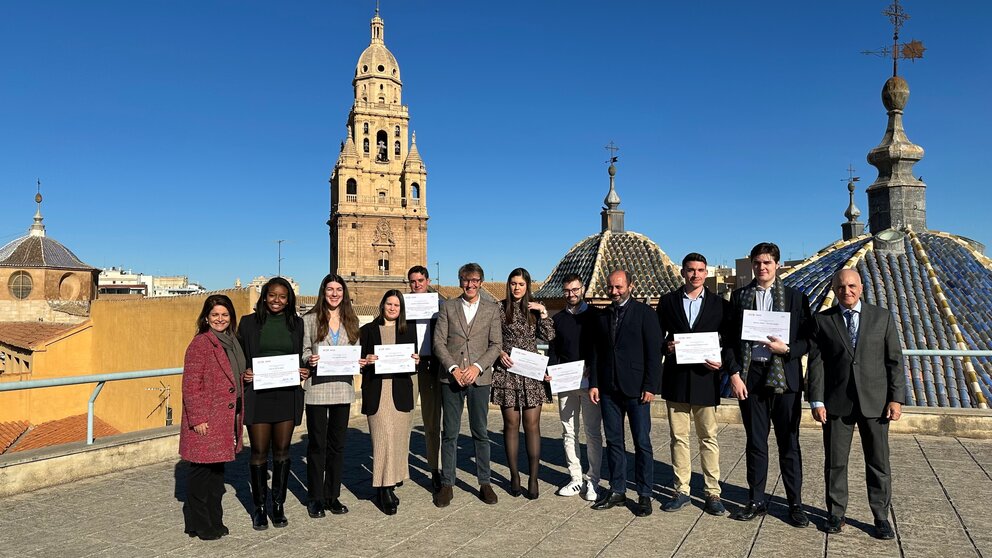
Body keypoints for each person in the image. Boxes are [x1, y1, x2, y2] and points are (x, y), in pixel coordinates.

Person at [807, 269, 905, 540]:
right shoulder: (822, 321)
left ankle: (881, 516)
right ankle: (836, 513)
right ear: (834, 289)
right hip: (837, 404)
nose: (846, 291)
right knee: (835, 463)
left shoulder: (881, 317)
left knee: (878, 462)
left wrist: (896, 398)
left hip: (876, 403)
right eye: (840, 287)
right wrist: (816, 400)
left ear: (861, 287)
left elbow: (894, 361)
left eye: (851, 286)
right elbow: (817, 364)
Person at [726, 242, 812, 526]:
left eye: (767, 263)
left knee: (789, 443)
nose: (762, 268)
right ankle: (756, 499)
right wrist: (735, 374)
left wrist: (787, 350)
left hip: (784, 379)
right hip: (751, 378)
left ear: (777, 264)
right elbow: (729, 341)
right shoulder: (739, 296)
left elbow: (809, 340)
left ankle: (795, 504)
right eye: (757, 263)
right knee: (755, 442)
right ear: (752, 265)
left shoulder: (795, 297)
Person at [657, 253, 731, 515]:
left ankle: (712, 492)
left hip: (705, 379)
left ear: (706, 273)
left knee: (708, 438)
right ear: (682, 272)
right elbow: (657, 338)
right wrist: (666, 346)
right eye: (691, 270)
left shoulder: (719, 304)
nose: (696, 275)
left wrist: (722, 362)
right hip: (677, 379)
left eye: (700, 270)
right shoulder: (667, 302)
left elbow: (729, 341)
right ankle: (682, 489)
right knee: (678, 438)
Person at [589, 270, 662, 517]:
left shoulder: (645, 314)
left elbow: (654, 353)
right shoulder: (603, 315)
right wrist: (595, 383)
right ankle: (617, 489)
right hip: (609, 389)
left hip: (637, 389)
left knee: (642, 442)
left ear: (631, 285)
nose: (614, 292)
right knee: (614, 441)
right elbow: (597, 353)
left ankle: (644, 493)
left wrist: (651, 386)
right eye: (611, 287)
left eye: (619, 287)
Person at [239, 277, 308, 530]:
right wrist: (244, 372)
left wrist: (305, 371)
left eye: (282, 296)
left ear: (288, 299)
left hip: (287, 393)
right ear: (264, 296)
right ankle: (258, 507)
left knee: (282, 451)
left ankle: (277, 505)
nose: (276, 300)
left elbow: (303, 354)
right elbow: (238, 356)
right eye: (272, 295)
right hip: (258, 394)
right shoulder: (248, 323)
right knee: (258, 451)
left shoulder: (297, 324)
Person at [432, 262, 503, 507]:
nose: (470, 284)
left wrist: (477, 367)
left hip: (479, 378)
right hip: (451, 378)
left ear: (481, 282)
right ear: (460, 281)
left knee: (480, 432)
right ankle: (447, 484)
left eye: (474, 280)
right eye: (465, 280)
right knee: (449, 433)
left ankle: (484, 482)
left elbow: (496, 345)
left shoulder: (492, 308)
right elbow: (439, 342)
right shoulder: (448, 307)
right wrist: (453, 368)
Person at [180, 295, 246, 541]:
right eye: (215, 315)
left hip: (225, 417)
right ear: (206, 317)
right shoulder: (201, 343)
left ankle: (215, 521)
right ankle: (200, 524)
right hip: (207, 419)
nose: (220, 319)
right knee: (201, 475)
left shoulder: (231, 342)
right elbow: (191, 384)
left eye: (225, 315)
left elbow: (233, 374)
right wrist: (197, 418)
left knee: (217, 476)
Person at [491, 268, 554, 499]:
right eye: (513, 283)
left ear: (528, 285)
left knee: (532, 426)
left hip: (531, 372)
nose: (516, 288)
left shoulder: (535, 309)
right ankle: (514, 475)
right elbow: (491, 337)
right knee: (510, 425)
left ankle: (533, 478)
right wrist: (498, 353)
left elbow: (549, 337)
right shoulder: (498, 308)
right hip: (507, 371)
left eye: (521, 284)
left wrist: (544, 312)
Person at [301, 274, 360, 518]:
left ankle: (332, 495)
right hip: (317, 388)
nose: (334, 294)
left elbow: (357, 349)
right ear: (323, 292)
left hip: (343, 388)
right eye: (330, 289)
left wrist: (361, 360)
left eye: (338, 289)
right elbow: (304, 349)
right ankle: (315, 497)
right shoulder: (310, 319)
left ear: (344, 293)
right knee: (317, 445)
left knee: (337, 446)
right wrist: (308, 359)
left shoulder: (351, 319)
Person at [359, 290, 420, 515]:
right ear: (382, 305)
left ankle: (391, 482)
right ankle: (383, 488)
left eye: (397, 305)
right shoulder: (367, 331)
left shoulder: (409, 330)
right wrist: (366, 360)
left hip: (400, 392)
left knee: (397, 439)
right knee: (383, 438)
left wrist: (416, 361)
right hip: (378, 391)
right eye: (389, 304)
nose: (392, 308)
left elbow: (414, 363)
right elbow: (359, 362)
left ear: (401, 308)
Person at [548, 273, 603, 502]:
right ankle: (575, 478)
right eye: (567, 291)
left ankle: (593, 481)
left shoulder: (596, 316)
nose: (571, 294)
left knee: (592, 433)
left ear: (583, 289)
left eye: (575, 289)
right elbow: (554, 349)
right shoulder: (558, 319)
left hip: (589, 383)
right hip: (566, 381)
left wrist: (593, 368)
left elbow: (601, 348)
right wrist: (551, 369)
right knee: (568, 431)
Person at [407, 265, 443, 492]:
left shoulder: (440, 306)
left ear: (428, 281)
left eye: (420, 280)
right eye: (413, 281)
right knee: (403, 420)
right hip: (407, 367)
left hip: (432, 366)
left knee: (432, 422)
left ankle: (434, 469)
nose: (417, 284)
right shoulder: (401, 305)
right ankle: (399, 469)